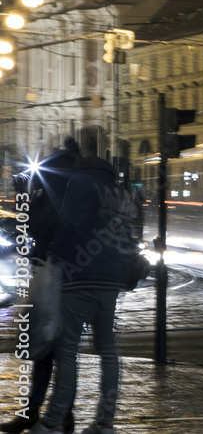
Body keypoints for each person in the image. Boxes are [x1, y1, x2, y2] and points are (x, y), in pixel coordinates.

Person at [31, 153, 133, 434]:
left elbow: (69, 225)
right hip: (111, 278)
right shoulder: (118, 190)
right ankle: (105, 422)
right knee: (108, 350)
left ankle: (53, 421)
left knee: (67, 349)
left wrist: (56, 258)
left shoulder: (80, 182)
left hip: (80, 273)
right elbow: (128, 233)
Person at [1, 139, 80, 434]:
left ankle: (43, 414)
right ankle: (48, 413)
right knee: (50, 348)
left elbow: (36, 225)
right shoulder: (62, 190)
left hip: (55, 276)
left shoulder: (58, 192)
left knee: (50, 348)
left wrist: (28, 197)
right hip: (55, 275)